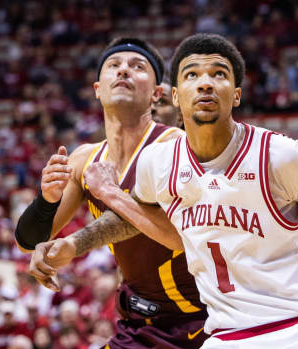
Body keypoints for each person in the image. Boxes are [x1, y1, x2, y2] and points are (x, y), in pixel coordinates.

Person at [33, 33, 298, 348]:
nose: (206, 82)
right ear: (176, 97)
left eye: (219, 74)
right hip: (223, 336)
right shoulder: (160, 163)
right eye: (192, 74)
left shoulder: (281, 157)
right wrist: (76, 244)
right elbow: (134, 219)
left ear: (237, 94)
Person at [16, 37, 207, 348]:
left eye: (137, 66)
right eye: (114, 66)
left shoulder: (175, 145)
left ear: (157, 94)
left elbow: (175, 234)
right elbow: (27, 241)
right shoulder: (82, 160)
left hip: (204, 318)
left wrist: (76, 241)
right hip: (140, 323)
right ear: (96, 89)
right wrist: (46, 200)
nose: (123, 71)